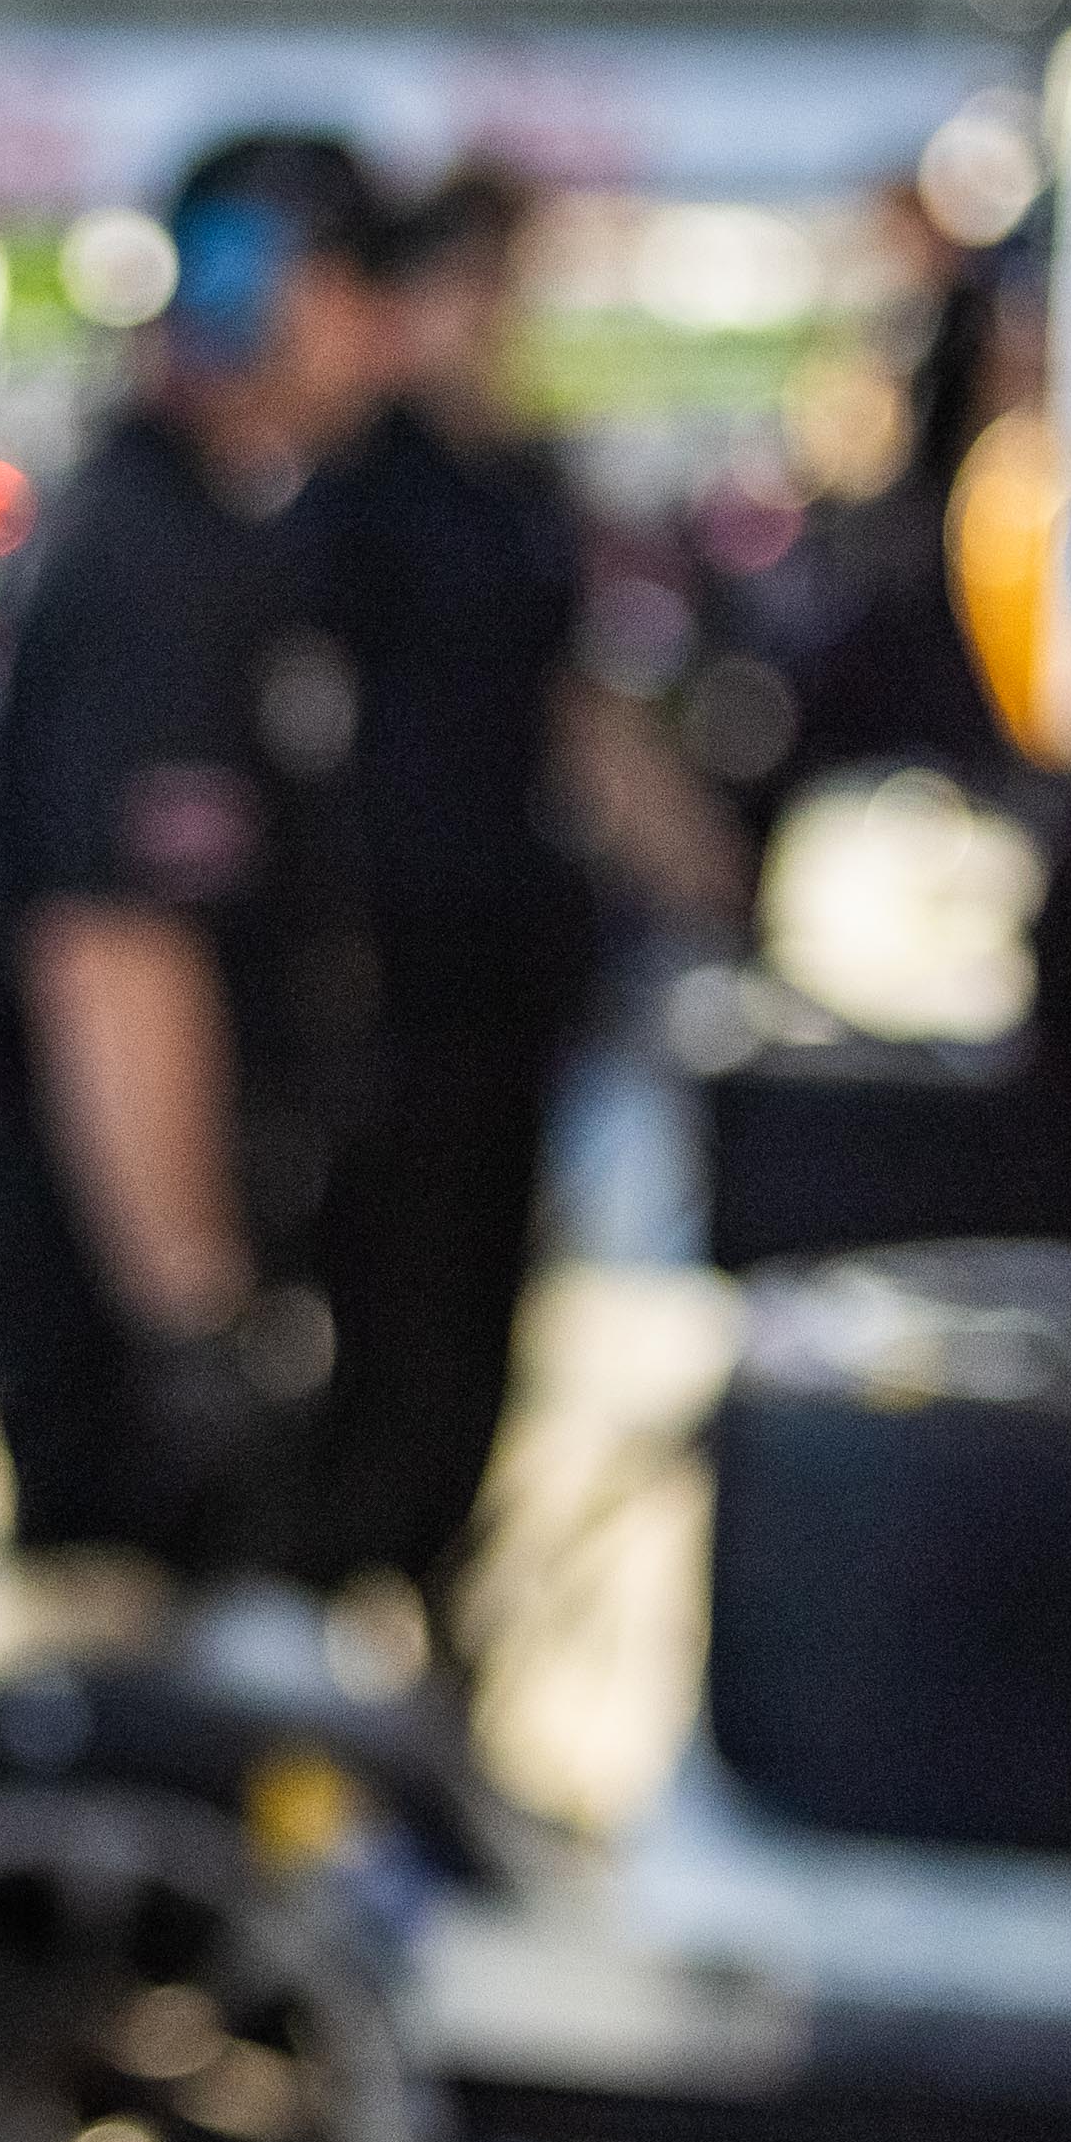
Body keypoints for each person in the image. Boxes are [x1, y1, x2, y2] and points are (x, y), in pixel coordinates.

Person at [0, 127, 403, 1570]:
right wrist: (196, 1322)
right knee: (138, 1640)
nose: (382, 338)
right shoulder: (150, 559)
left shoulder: (206, 525)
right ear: (252, 291)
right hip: (107, 1281)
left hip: (133, 1246)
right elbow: (115, 954)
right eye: (357, 288)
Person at [285, 168, 619, 1633]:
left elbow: (570, 705)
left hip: (507, 943)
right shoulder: (351, 485)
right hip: (384, 954)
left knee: (485, 1273)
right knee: (386, 1278)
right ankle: (354, 1558)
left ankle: (432, 1565)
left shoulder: (518, 479)